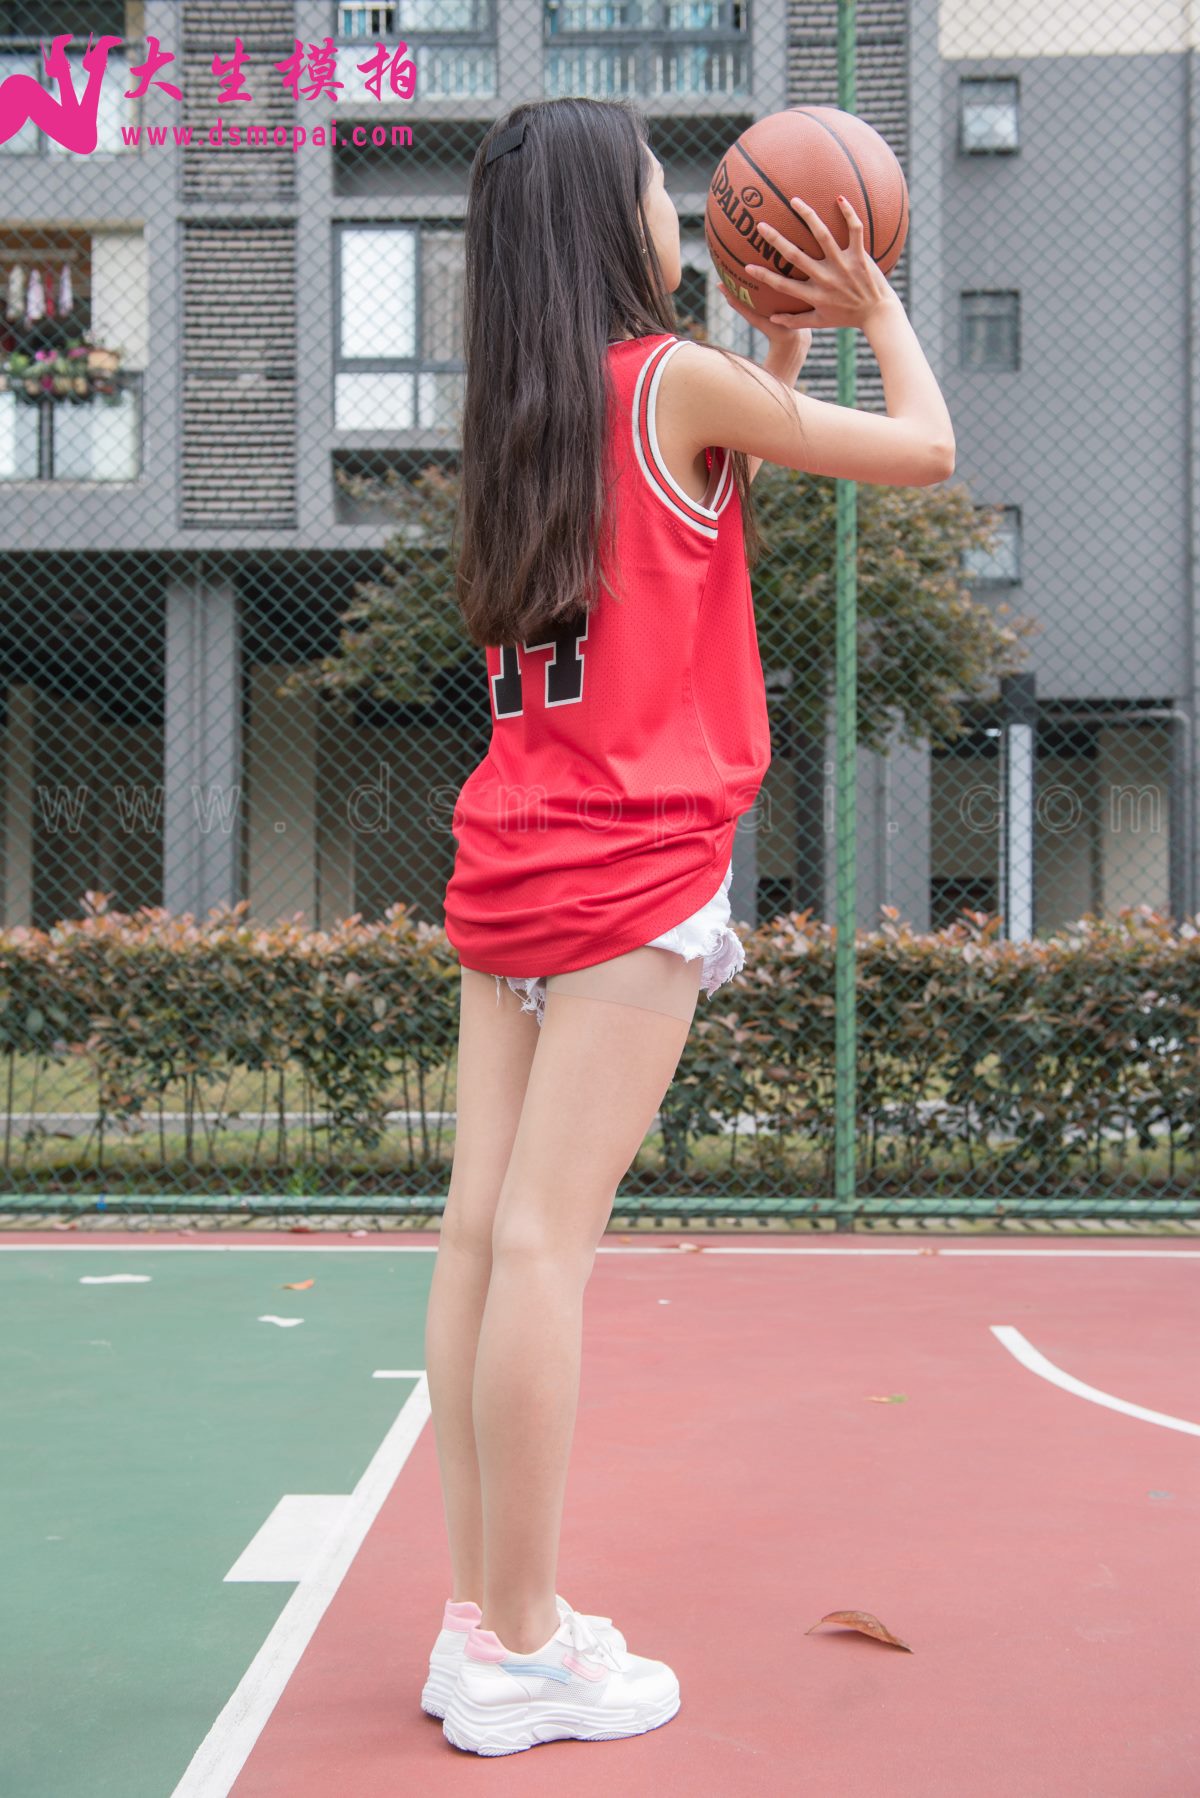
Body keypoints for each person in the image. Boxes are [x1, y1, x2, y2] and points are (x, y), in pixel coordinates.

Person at [425, 96, 955, 1758]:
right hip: (633, 868)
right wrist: (873, 312)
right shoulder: (667, 378)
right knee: (544, 1248)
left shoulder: (519, 414)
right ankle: (524, 1647)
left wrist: (778, 347)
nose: (680, 211)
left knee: (480, 1236)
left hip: (514, 858)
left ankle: (481, 1617)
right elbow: (925, 450)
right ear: (613, 223)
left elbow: (701, 506)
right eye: (661, 189)